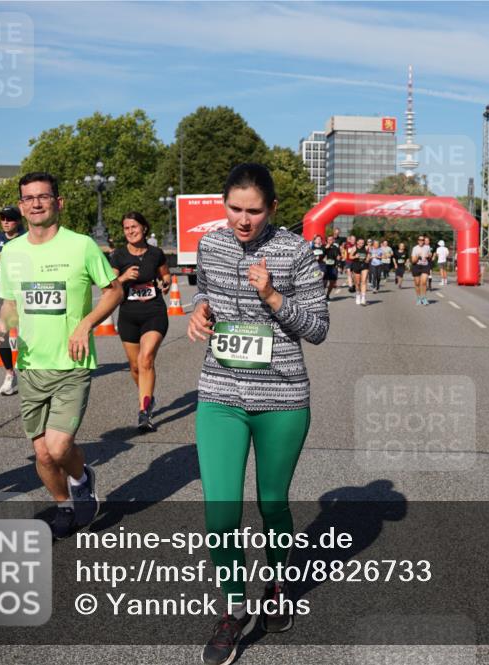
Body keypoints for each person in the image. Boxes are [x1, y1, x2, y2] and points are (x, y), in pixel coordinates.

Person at [187, 163, 328, 665]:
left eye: (253, 211)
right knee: (220, 508)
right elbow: (204, 291)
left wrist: (272, 296)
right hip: (220, 391)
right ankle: (232, 609)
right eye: (234, 209)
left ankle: (277, 586)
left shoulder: (295, 250)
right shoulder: (211, 244)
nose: (243, 221)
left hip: (282, 396)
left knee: (272, 503)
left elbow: (317, 327)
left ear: (271, 209)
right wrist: (198, 311)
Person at [0, 172, 123, 539]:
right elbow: (11, 304)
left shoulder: (81, 246)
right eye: (28, 198)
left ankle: (81, 477)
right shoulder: (13, 251)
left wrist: (87, 325)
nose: (35, 203)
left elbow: (113, 292)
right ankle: (64, 503)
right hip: (30, 365)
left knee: (59, 444)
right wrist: (1, 324)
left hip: (72, 363)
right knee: (44, 455)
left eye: (43, 197)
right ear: (21, 206)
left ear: (58, 203)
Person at [109, 211, 171, 432]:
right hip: (128, 315)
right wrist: (123, 278)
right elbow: (108, 286)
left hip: (154, 312)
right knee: (135, 366)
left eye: (134, 227)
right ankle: (148, 396)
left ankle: (144, 412)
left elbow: (165, 275)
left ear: (144, 228)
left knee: (146, 360)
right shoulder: (118, 256)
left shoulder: (156, 253)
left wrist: (166, 283)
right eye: (126, 228)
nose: (130, 231)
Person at [0, 205, 26, 396]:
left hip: (25, 292)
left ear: (18, 221)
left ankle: (31, 371)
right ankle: (9, 374)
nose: (5, 222)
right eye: (2, 218)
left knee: (27, 333)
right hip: (4, 292)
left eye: (9, 218)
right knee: (1, 333)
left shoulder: (27, 238)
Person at [410, 234, 432, 305]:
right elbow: (413, 260)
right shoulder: (415, 248)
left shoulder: (427, 247)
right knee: (417, 283)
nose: (421, 241)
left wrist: (429, 256)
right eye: (420, 240)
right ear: (418, 241)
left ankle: (424, 298)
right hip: (416, 266)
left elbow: (430, 255)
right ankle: (419, 298)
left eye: (423, 240)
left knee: (424, 282)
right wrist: (418, 257)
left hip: (425, 266)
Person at [321, 234, 341, 301]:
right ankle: (322, 295)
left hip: (333, 266)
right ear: (326, 240)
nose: (330, 241)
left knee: (332, 282)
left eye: (332, 239)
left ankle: (327, 295)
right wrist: (326, 248)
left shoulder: (336, 247)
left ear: (334, 240)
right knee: (324, 282)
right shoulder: (323, 246)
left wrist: (338, 261)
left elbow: (339, 256)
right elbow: (320, 255)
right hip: (325, 266)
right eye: (329, 239)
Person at [351, 237, 369, 306]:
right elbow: (350, 256)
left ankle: (363, 298)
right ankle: (358, 295)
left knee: (364, 281)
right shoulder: (354, 248)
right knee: (357, 283)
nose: (362, 244)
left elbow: (368, 254)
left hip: (364, 265)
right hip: (356, 265)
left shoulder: (366, 248)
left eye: (363, 243)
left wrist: (367, 258)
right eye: (360, 242)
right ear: (357, 242)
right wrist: (355, 256)